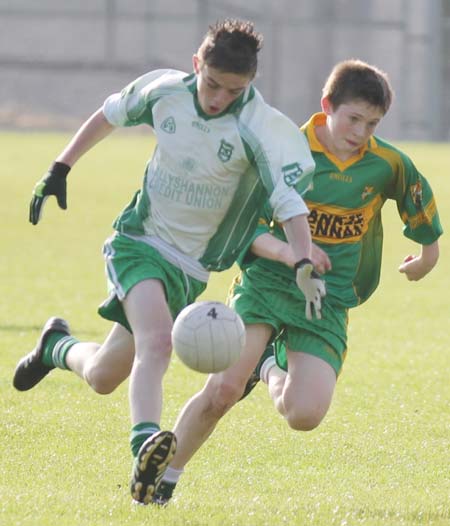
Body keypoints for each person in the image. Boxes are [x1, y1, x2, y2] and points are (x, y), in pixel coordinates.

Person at [13, 19, 325, 505]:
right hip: (139, 242)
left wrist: (303, 262)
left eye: (233, 90)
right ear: (197, 65)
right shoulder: (164, 91)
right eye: (212, 83)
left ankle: (56, 345)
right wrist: (60, 166)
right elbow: (110, 113)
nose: (219, 97)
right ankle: (145, 449)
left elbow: (290, 206)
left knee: (103, 376)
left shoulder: (259, 128)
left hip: (190, 270)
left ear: (250, 84)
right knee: (157, 343)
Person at [149, 58, 443, 505]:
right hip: (266, 284)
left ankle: (268, 365)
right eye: (353, 119)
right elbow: (240, 220)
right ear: (327, 106)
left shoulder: (386, 164)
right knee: (223, 391)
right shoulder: (284, 149)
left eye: (373, 123)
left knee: (304, 415)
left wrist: (426, 257)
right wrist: (288, 253)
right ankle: (161, 480)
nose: (361, 132)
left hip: (327, 300)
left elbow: (416, 200)